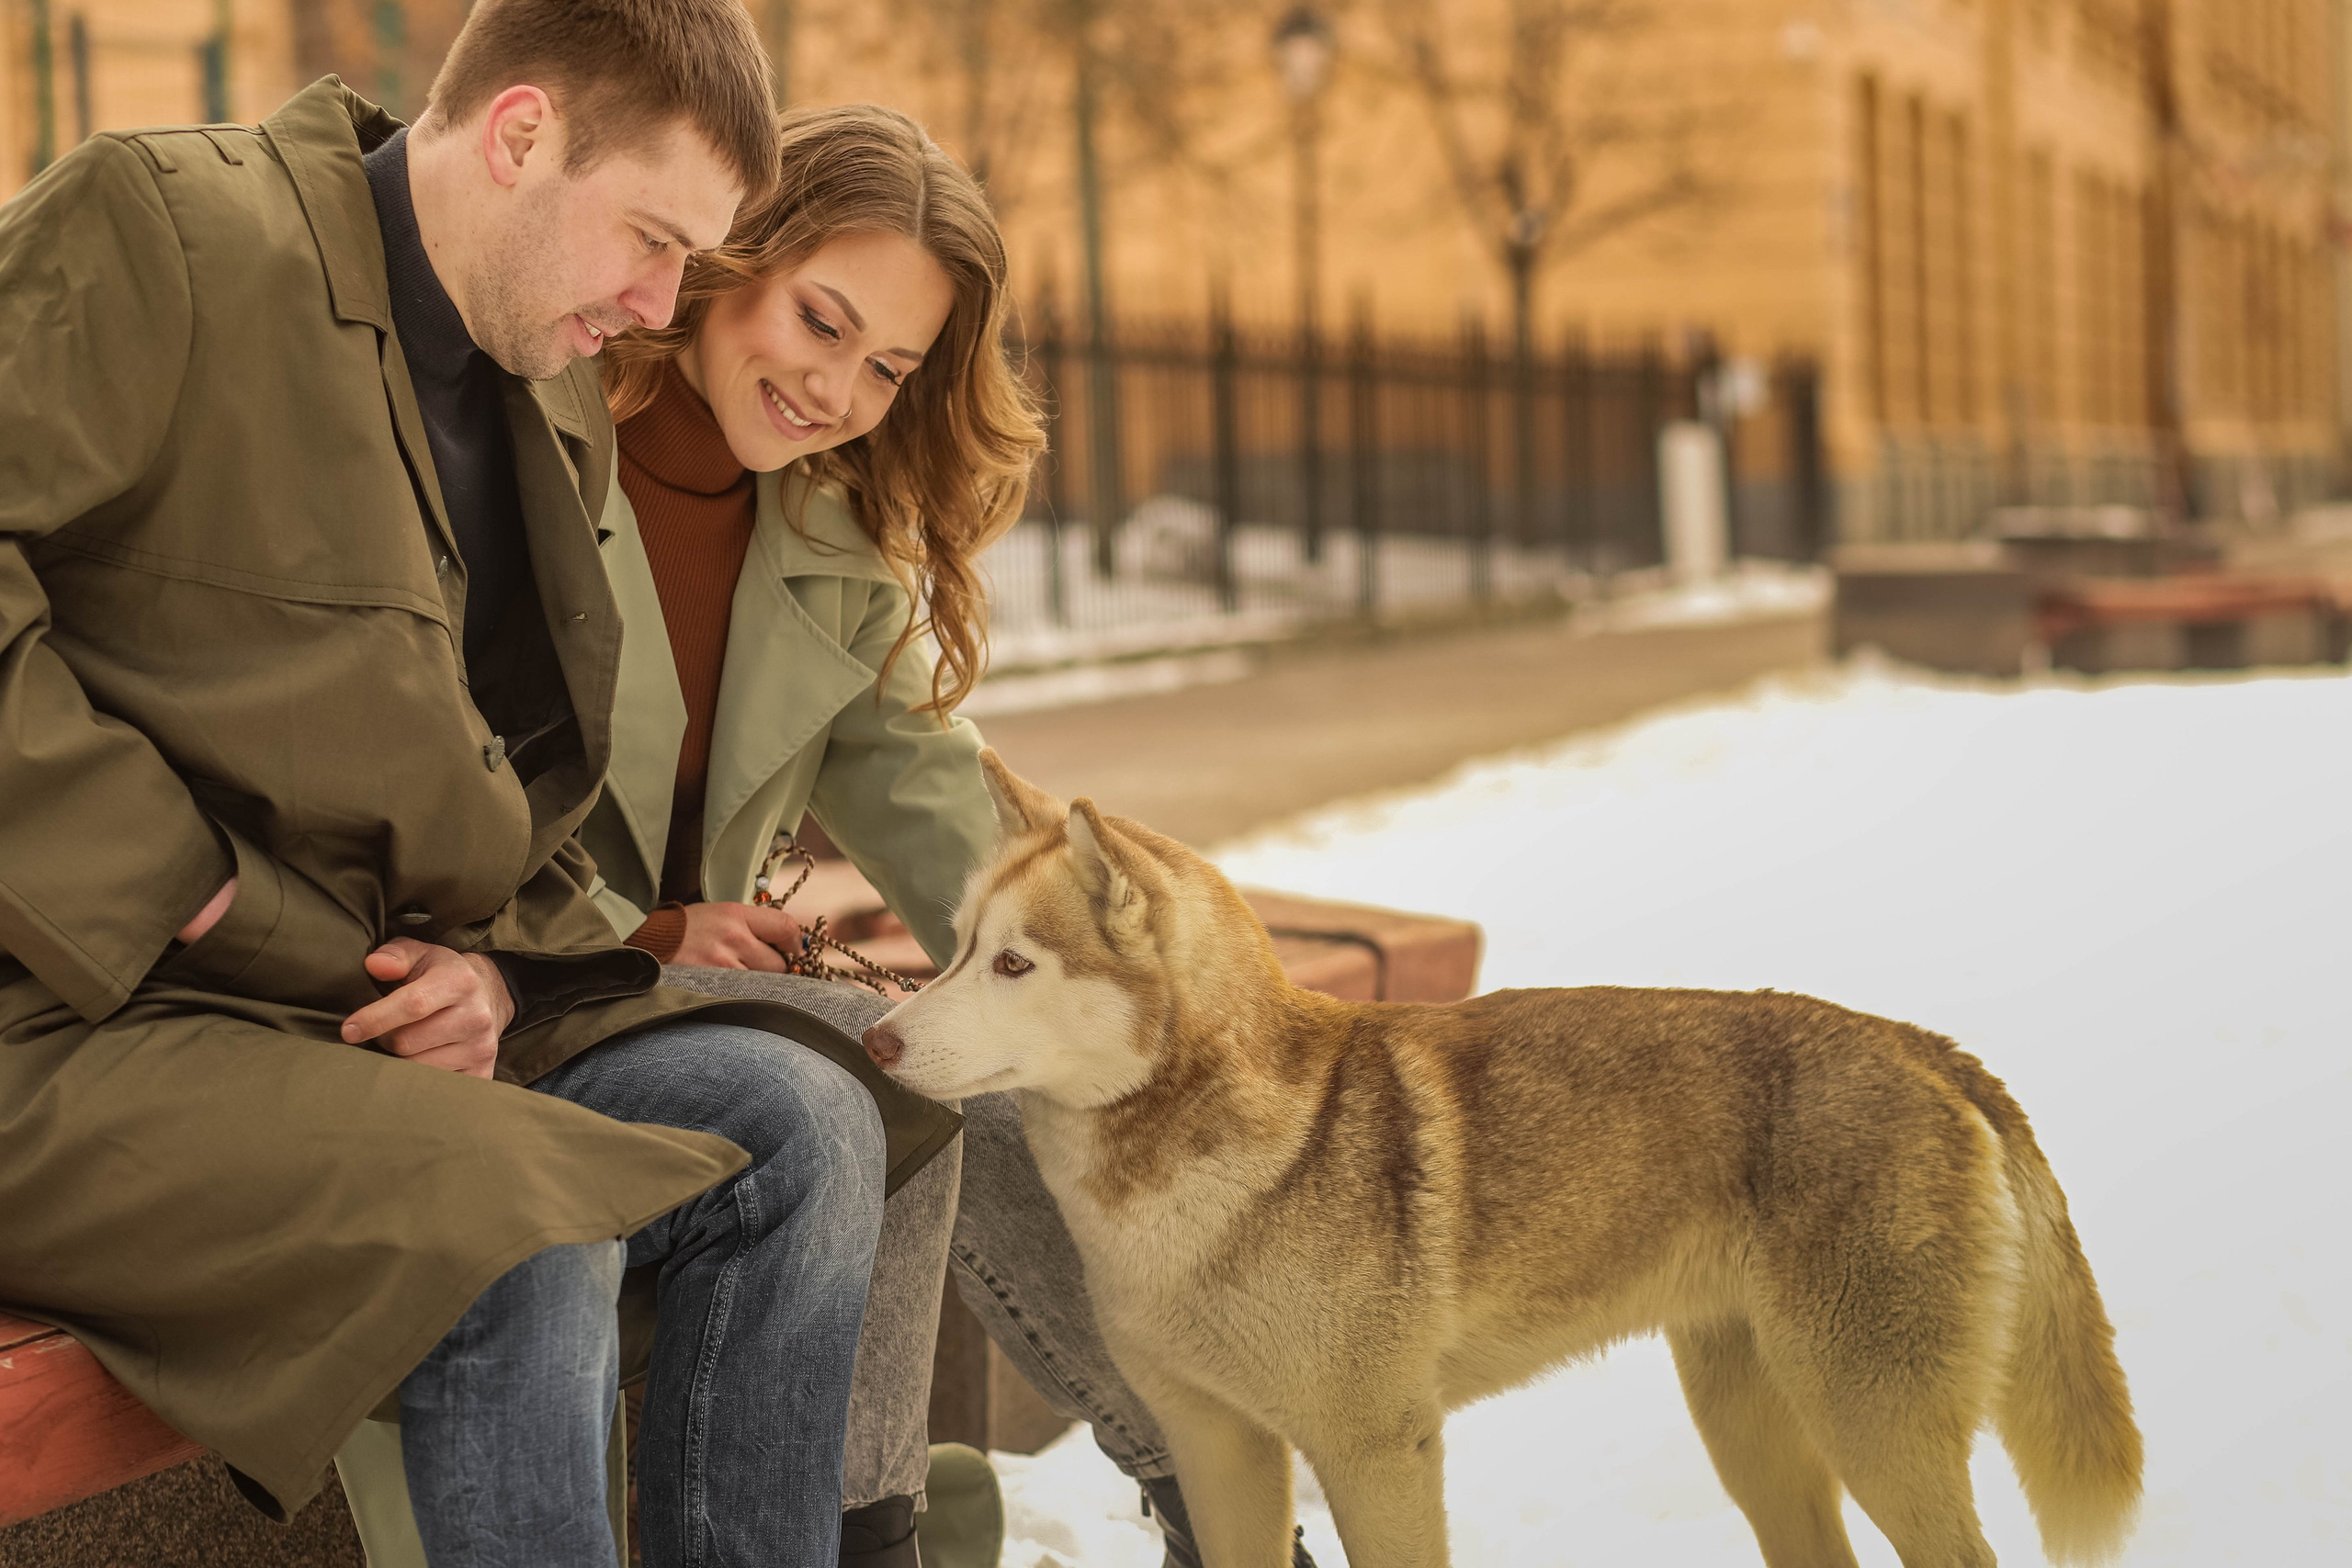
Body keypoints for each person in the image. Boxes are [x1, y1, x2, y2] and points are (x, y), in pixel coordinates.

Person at [0, 4, 956, 1565]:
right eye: (649, 240)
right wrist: (186, 883)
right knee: (509, 1215)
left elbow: (487, 779)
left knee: (807, 1119)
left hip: (357, 1023)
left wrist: (494, 972)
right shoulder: (171, 228)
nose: (656, 304)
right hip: (76, 1025)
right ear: (519, 137)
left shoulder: (542, 378)